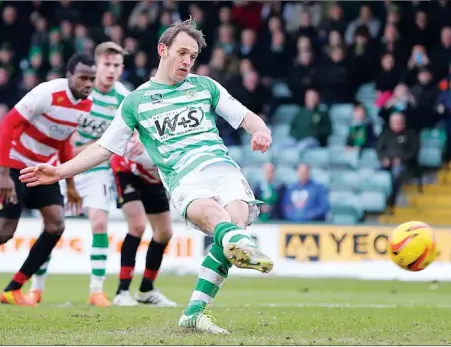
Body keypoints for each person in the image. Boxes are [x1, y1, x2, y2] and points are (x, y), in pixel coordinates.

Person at [19, 19, 273, 333]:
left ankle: (194, 312)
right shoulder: (135, 102)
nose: (187, 61)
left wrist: (261, 131)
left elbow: (246, 117)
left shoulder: (205, 86)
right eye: (181, 53)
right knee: (218, 220)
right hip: (184, 177)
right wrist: (59, 170)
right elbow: (102, 148)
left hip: (222, 168)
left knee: (236, 222)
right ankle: (243, 246)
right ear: (162, 50)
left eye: (192, 56)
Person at [0, 54, 96, 306]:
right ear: (69, 76)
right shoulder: (46, 93)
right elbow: (7, 124)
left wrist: (69, 183)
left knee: (56, 225)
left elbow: (64, 141)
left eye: (91, 79)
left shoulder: (87, 104)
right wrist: (3, 173)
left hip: (43, 170)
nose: (88, 83)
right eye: (83, 78)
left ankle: (13, 288)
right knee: (5, 231)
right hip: (14, 166)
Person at [25, 42, 131, 307]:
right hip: (63, 165)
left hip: (97, 170)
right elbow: (63, 137)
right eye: (106, 64)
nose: (111, 71)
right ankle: (35, 288)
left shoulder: (124, 99)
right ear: (96, 66)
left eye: (116, 66)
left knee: (98, 223)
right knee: (49, 226)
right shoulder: (81, 91)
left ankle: (96, 291)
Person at [109, 134, 176, 307]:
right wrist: (138, 133)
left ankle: (146, 289)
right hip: (127, 171)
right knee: (137, 226)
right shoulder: (141, 148)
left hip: (154, 179)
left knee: (164, 233)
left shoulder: (183, 149)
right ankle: (122, 291)